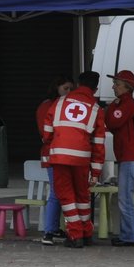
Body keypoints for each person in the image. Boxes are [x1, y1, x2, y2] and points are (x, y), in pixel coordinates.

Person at [41, 70, 105, 249]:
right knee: (83, 196)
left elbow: (47, 129)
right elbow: (99, 144)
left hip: (60, 156)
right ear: (95, 88)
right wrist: (96, 172)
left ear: (78, 84)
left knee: (66, 196)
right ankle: (86, 233)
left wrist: (49, 141)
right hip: (82, 159)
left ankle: (76, 235)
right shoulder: (96, 109)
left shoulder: (60, 102)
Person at [103, 69, 134, 247]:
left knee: (125, 198)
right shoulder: (124, 104)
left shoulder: (127, 105)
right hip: (128, 157)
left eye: (117, 84)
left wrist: (110, 107)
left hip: (130, 157)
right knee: (125, 197)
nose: (114, 87)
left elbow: (113, 122)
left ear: (128, 87)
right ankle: (128, 234)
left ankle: (130, 236)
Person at [36, 77, 72, 245]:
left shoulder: (55, 105)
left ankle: (54, 228)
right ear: (57, 87)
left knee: (57, 193)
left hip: (56, 153)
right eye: (66, 88)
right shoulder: (48, 106)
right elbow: (46, 133)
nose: (69, 92)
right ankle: (49, 231)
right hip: (52, 153)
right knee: (56, 193)